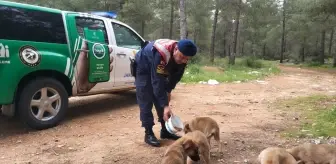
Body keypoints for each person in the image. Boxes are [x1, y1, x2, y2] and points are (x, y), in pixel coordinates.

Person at [134, 39, 197, 147]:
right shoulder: (161, 53)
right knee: (146, 99)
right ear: (176, 49)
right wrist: (165, 105)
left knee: (162, 96)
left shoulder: (183, 57)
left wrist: (168, 90)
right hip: (143, 67)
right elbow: (156, 82)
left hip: (160, 67)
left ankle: (165, 130)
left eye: (187, 59)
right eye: (182, 57)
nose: (184, 60)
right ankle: (148, 133)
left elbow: (176, 76)